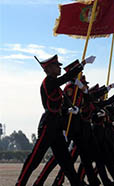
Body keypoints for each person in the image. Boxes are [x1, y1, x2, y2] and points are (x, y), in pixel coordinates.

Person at [16, 54, 95, 186]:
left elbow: (58, 107)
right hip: (47, 125)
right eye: (56, 66)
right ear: (49, 68)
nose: (59, 68)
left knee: (66, 161)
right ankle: (20, 184)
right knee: (34, 159)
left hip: (57, 125)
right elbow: (64, 79)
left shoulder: (56, 85)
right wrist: (82, 64)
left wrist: (68, 110)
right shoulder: (48, 82)